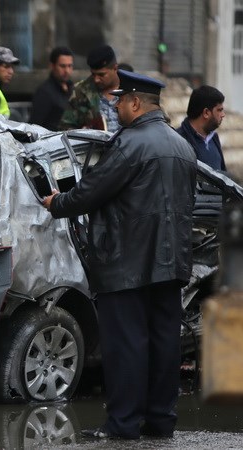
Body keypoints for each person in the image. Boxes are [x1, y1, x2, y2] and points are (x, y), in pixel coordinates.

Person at [43, 70, 197, 439]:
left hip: (128, 265)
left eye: (119, 102)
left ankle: (124, 424)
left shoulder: (130, 144)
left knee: (126, 346)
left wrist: (56, 202)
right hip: (171, 264)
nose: (115, 110)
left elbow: (90, 192)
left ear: (135, 103)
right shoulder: (183, 146)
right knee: (164, 344)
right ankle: (160, 421)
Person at [60, 44, 121, 132]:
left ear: (115, 68)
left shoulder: (130, 90)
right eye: (93, 74)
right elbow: (65, 127)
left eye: (101, 75)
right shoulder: (81, 91)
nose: (96, 80)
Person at [176, 85, 227, 171]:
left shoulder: (214, 138)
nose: (223, 115)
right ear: (206, 112)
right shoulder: (178, 141)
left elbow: (223, 178)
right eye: (219, 110)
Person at [29, 46, 74, 130]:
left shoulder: (73, 89)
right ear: (52, 66)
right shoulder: (44, 93)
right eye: (62, 66)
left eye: (70, 66)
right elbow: (34, 126)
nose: (67, 70)